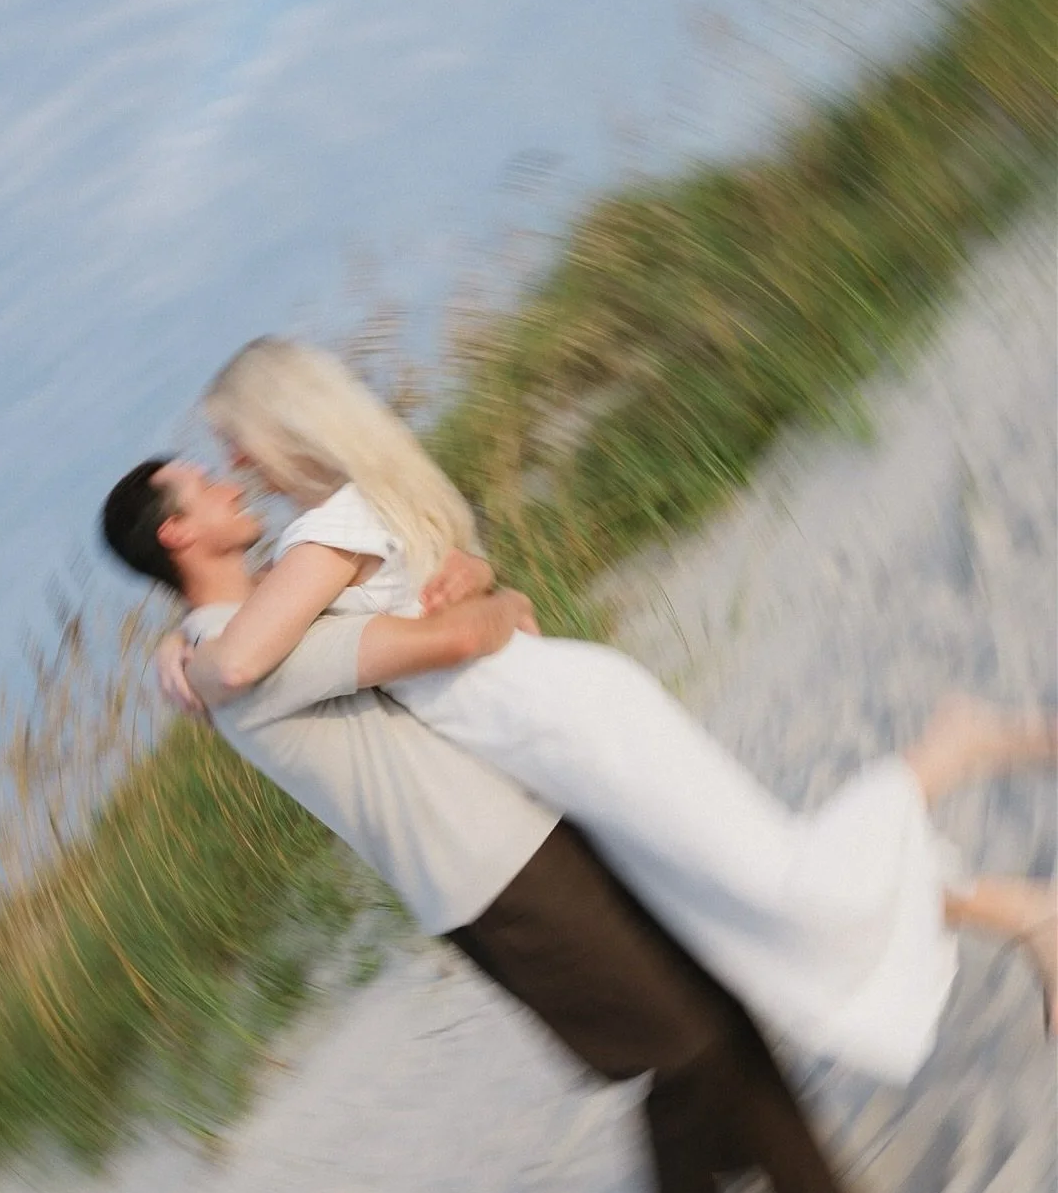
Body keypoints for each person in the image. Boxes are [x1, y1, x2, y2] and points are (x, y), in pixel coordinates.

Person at [101, 455, 873, 1193]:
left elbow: (445, 599)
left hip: (533, 825)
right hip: (488, 876)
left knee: (718, 1004)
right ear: (178, 533)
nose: (233, 486)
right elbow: (454, 637)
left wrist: (469, 583)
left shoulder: (253, 625)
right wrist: (483, 609)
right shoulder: (237, 656)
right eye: (205, 487)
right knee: (683, 1052)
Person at [180, 336, 1057, 1076]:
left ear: (279, 424)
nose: (237, 466)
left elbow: (244, 659)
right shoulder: (360, 504)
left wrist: (186, 661)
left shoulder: (323, 534)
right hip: (542, 728)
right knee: (735, 896)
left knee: (776, 881)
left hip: (560, 723)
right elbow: (436, 588)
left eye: (235, 440)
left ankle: (954, 751)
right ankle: (1024, 913)